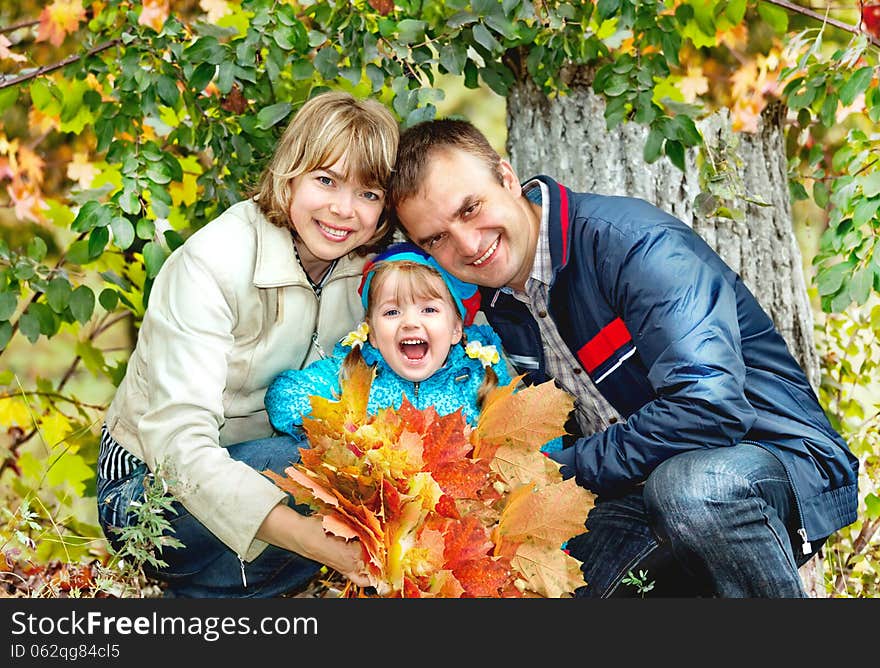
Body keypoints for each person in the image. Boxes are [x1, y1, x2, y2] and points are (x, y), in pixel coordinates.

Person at [386, 118, 860, 598]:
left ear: (507, 179)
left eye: (471, 209)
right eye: (436, 239)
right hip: (636, 489)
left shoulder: (631, 243)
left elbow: (710, 406)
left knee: (691, 491)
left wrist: (559, 470)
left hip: (772, 458)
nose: (466, 244)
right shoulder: (494, 302)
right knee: (528, 575)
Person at [95, 91, 399, 597]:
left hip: (270, 470)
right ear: (290, 175)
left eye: (369, 194)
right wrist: (315, 542)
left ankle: (214, 597)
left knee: (368, 460)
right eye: (326, 180)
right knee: (309, 461)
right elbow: (179, 449)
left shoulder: (370, 269)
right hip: (149, 489)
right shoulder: (212, 264)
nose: (345, 210)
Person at [264, 241, 562, 452]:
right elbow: (286, 392)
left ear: (456, 329)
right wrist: (353, 431)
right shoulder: (355, 372)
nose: (409, 322)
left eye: (428, 310)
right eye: (392, 312)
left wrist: (486, 446)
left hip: (459, 519)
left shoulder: (479, 378)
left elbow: (543, 433)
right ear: (373, 334)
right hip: (379, 517)